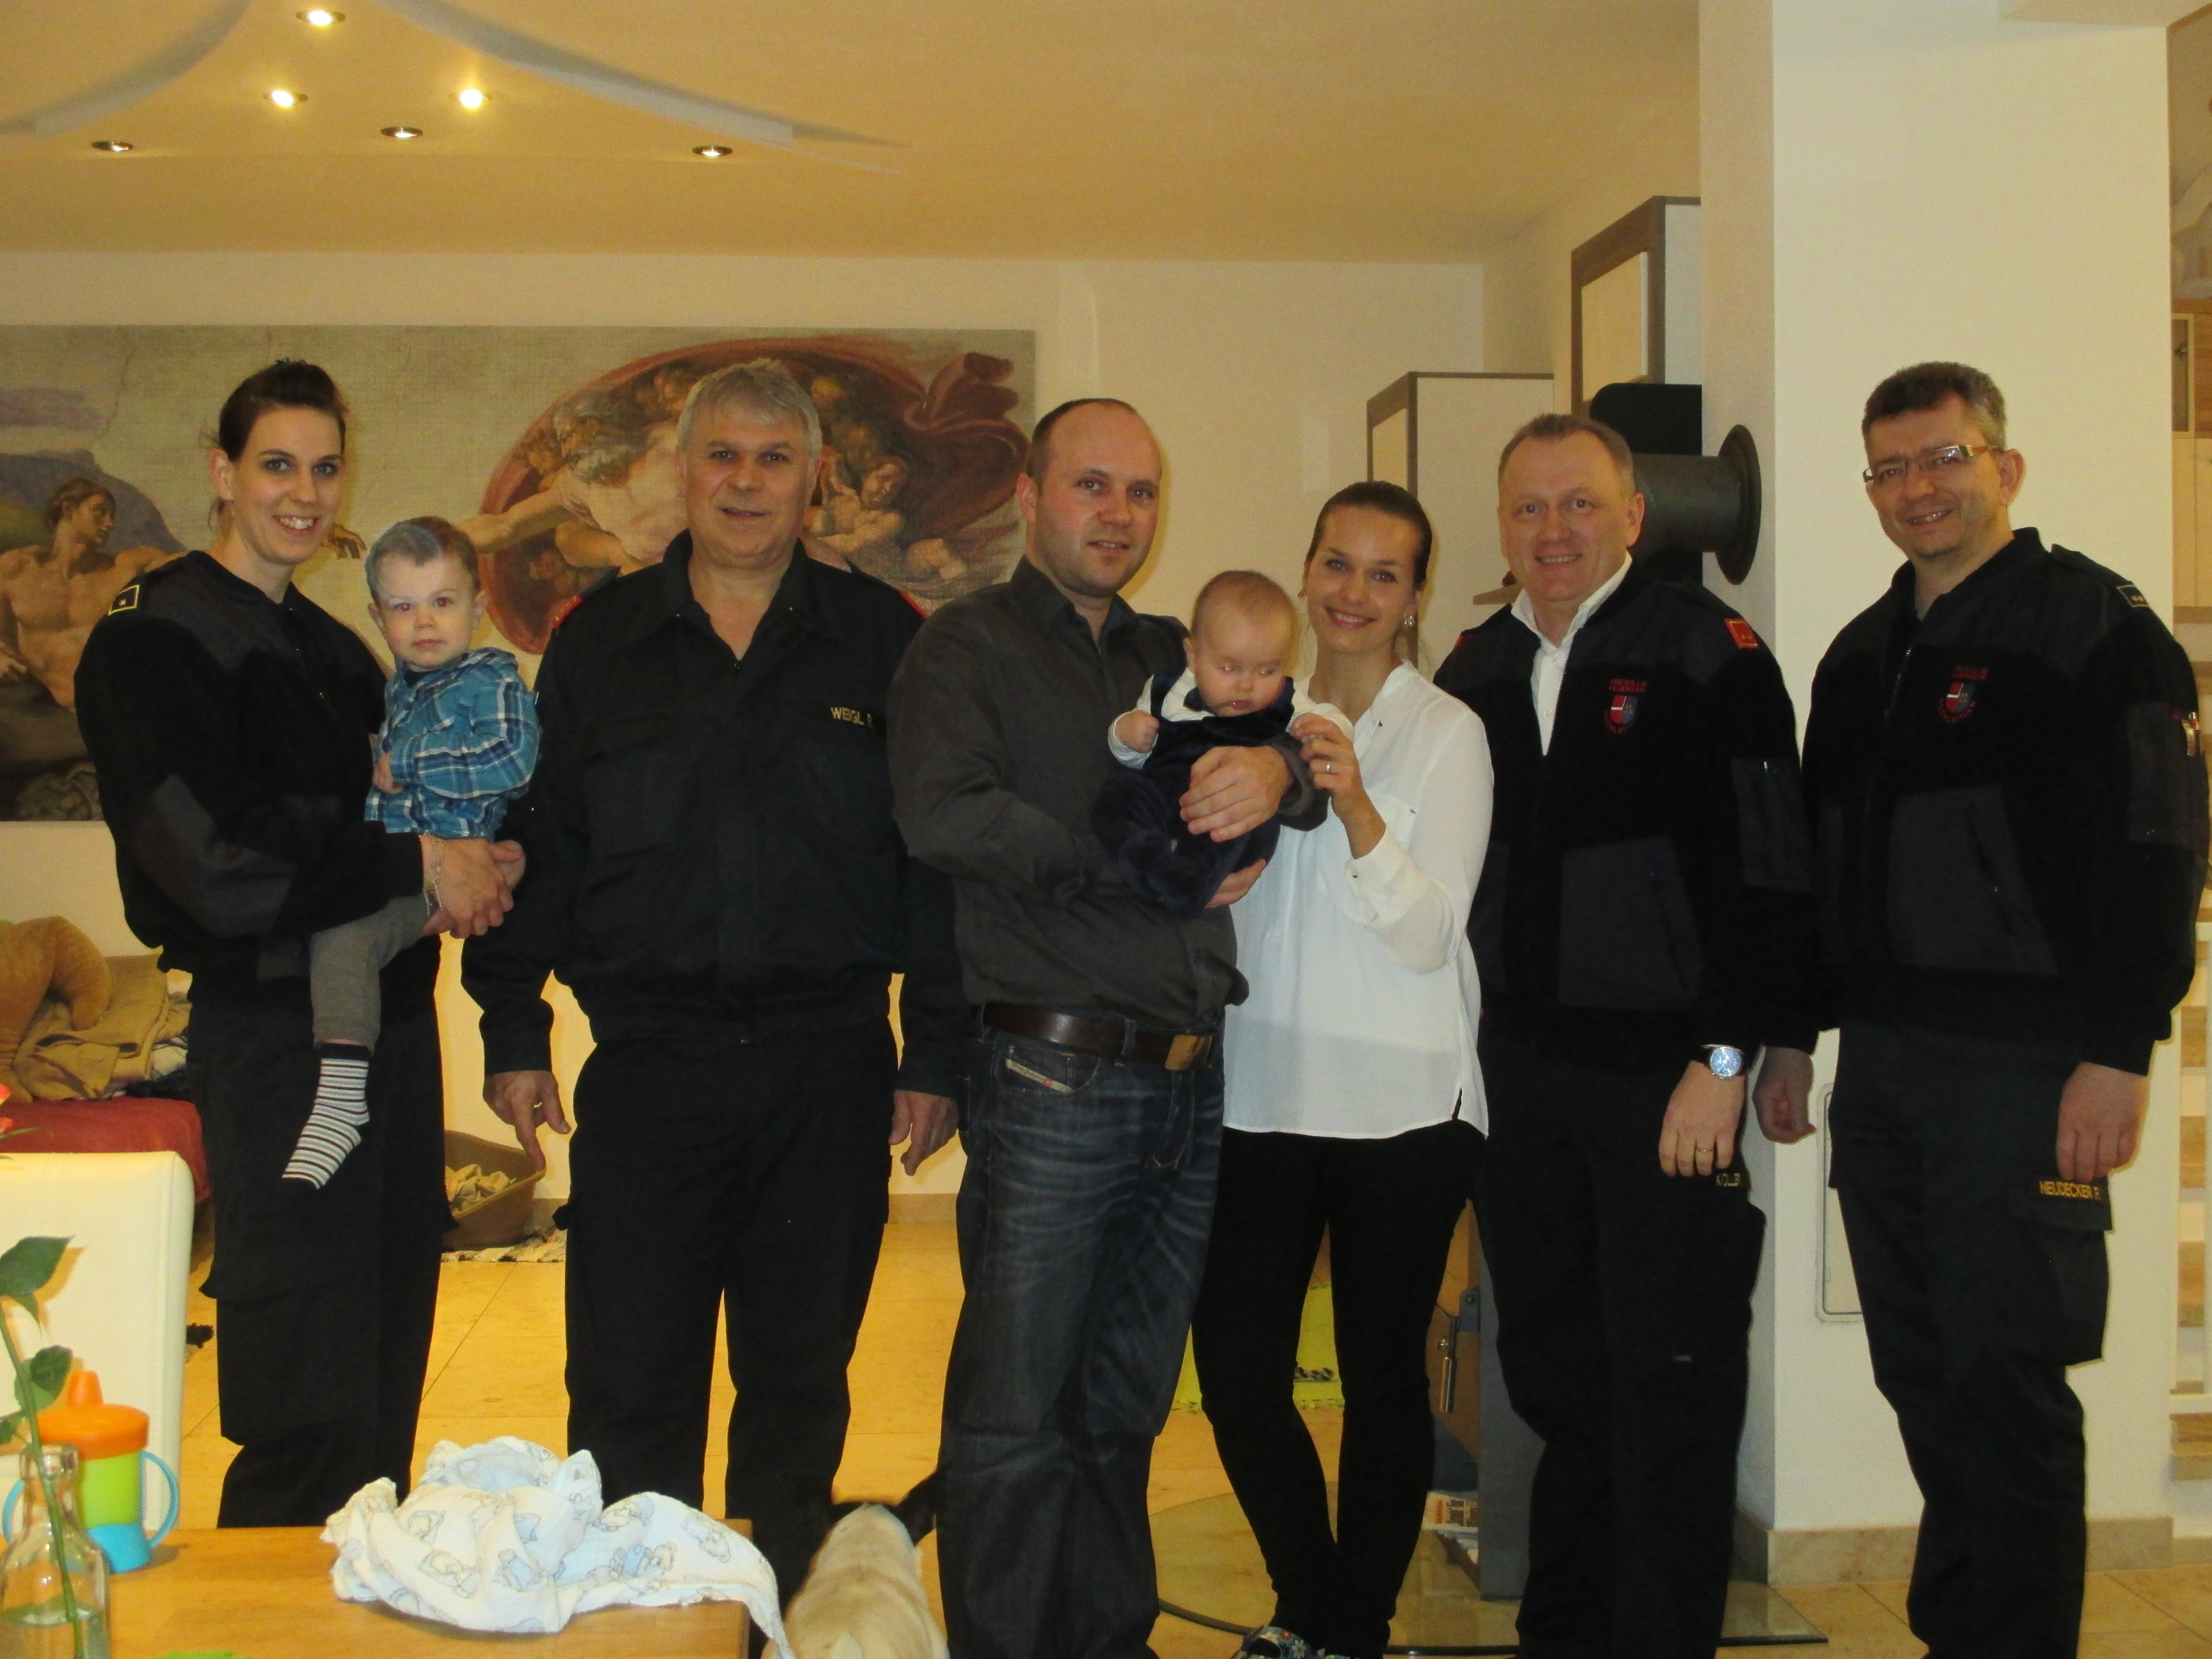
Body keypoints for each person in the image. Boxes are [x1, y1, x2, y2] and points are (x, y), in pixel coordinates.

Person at [462, 358, 967, 1603]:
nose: (746, 482)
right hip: (651, 1072)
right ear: (681, 474)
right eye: (723, 456)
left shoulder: (883, 641)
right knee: (628, 1390)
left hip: (826, 1070)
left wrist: (936, 1053)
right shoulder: (600, 644)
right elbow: (543, 840)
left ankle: (766, 1619)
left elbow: (932, 864)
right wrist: (514, 1027)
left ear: (813, 480)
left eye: (774, 458)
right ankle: (643, 1621)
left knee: (798, 1391)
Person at [1758, 362, 2207, 1658]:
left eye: (1943, 458)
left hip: (2026, 1074)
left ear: (2004, 467)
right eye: (1891, 468)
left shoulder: (2096, 628)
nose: (1918, 488)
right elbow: (1820, 861)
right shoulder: (1861, 655)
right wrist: (1792, 1031)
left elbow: (2159, 847)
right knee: (1924, 1374)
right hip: (1885, 1072)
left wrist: (2118, 1049)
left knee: (2006, 1384)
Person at [887, 397, 1322, 1659]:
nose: (1119, 512)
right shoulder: (964, 648)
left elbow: (1284, 748)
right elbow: (945, 814)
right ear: (1030, 497)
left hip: (1187, 1083)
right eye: (1092, 485)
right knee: (1016, 1420)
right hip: (1054, 1075)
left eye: (1139, 490)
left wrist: (1279, 772)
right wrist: (1129, 864)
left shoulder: (1175, 655)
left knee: (1124, 1410)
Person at [72, 359, 517, 1526]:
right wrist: (418, 863)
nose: (304, 493)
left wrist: (477, 865)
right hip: (277, 1039)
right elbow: (210, 862)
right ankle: (271, 1598)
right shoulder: (154, 636)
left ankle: (366, 1585)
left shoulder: (338, 652)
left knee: (383, 1362)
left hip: (394, 1027)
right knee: (303, 1384)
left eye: (325, 468)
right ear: (222, 473)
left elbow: (409, 814)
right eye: (277, 464)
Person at [1432, 412, 1815, 1659]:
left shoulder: (1709, 650)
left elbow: (1770, 872)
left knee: (1671, 1384)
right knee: (1556, 1380)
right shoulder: (1475, 668)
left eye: (1581, 503)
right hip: (1518, 1086)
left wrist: (1727, 1057)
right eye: (1529, 507)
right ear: (1503, 525)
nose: (1555, 530)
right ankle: (1565, 1634)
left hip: (1667, 1088)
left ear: (1635, 516)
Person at [1191, 481, 1491, 1659]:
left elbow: (1429, 936)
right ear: (1306, 570)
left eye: (1383, 572)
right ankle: (1312, 1602)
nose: (1353, 592)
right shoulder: (1253, 712)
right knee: (1236, 1370)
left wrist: (1358, 803)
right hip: (1262, 1093)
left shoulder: (1449, 732)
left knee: (1380, 1381)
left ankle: (1347, 1629)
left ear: (1415, 595)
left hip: (1405, 1106)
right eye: (1336, 563)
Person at [285, 517, 541, 1188]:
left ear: (479, 608)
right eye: (403, 607)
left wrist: (408, 759)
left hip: (445, 868)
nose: (424, 621)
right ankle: (343, 1089)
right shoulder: (400, 689)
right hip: (404, 868)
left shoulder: (492, 680)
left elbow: (512, 760)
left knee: (342, 937)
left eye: (443, 601)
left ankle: (340, 1100)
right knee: (330, 931)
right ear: (378, 617)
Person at [1095, 568, 1348, 917]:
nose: (1247, 685)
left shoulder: (1286, 703)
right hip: (1164, 799)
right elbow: (1136, 759)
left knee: (1230, 823)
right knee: (1120, 794)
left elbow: (1337, 725)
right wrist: (1125, 735)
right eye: (1229, 668)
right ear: (1194, 655)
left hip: (1229, 814)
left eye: (1267, 671)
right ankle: (1151, 865)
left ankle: (1186, 885)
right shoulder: (1166, 689)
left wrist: (1321, 729)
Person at [0, 476, 180, 709]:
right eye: (100, 512)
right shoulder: (16, 569)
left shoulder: (122, 568)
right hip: (45, 711)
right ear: (68, 509)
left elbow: (187, 563)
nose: (110, 523)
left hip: (117, 707)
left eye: (112, 516)